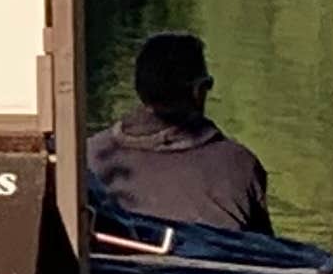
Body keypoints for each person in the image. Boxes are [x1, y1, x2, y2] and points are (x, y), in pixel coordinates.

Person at [87, 31, 274, 234]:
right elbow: (266, 253)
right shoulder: (239, 165)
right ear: (198, 91)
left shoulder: (89, 157)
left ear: (139, 88)